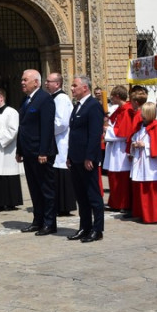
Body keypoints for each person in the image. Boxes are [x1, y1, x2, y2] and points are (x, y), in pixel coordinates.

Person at [16, 69, 58, 235]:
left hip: (41, 153)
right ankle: (37, 220)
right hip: (28, 152)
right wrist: (19, 150)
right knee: (34, 189)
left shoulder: (45, 99)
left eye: (25, 80)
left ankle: (49, 223)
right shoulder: (25, 100)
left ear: (36, 82)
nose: (22, 82)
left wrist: (43, 152)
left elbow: (47, 128)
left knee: (46, 189)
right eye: (22, 79)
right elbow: (23, 127)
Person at [66, 76, 104, 242]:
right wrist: (69, 156)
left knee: (93, 195)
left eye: (75, 86)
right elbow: (74, 134)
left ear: (85, 88)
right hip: (75, 158)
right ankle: (84, 227)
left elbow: (95, 134)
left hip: (87, 159)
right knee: (81, 196)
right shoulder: (78, 107)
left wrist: (90, 156)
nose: (72, 88)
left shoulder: (93, 106)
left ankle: (98, 229)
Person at [129, 102, 157, 224]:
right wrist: (134, 143)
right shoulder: (140, 126)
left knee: (152, 190)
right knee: (142, 188)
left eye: (144, 113)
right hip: (141, 162)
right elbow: (133, 138)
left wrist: (145, 145)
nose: (141, 115)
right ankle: (144, 214)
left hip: (152, 164)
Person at [45, 72, 75, 217]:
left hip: (61, 141)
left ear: (57, 84)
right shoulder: (53, 98)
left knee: (60, 171)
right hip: (55, 141)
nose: (46, 83)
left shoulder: (61, 98)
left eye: (49, 81)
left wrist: (46, 131)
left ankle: (64, 205)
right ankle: (57, 204)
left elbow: (62, 122)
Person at [103, 85, 136, 213]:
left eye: (112, 96)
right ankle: (114, 202)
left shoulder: (127, 110)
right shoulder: (119, 109)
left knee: (121, 177)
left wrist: (108, 130)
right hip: (114, 147)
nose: (111, 98)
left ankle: (123, 203)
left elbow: (123, 132)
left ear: (117, 96)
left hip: (121, 148)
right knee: (114, 176)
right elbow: (112, 123)